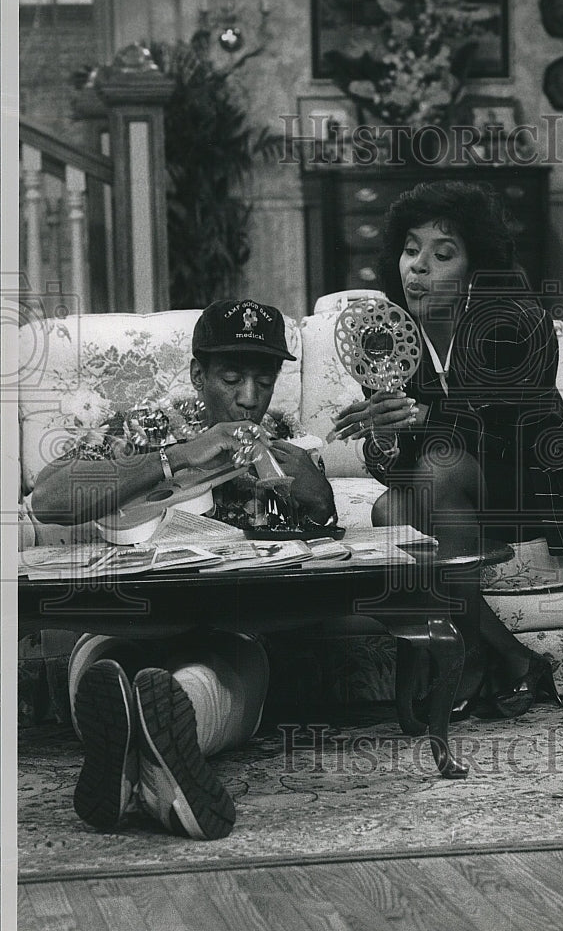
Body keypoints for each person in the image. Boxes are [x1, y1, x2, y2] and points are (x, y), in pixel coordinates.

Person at [31, 299, 337, 839]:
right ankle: (156, 757)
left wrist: (319, 495)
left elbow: (315, 550)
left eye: (263, 381)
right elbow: (50, 500)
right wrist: (179, 456)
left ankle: (141, 756)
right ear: (198, 374)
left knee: (217, 673)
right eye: (231, 377)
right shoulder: (144, 427)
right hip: (124, 623)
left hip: (225, 631)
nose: (248, 399)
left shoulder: (282, 444)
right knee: (111, 669)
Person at [332, 181, 563, 719]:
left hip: (538, 481)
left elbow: (512, 433)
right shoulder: (389, 336)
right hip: (457, 495)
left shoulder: (516, 321)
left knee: (439, 466)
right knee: (391, 510)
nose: (417, 267)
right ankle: (499, 652)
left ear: (474, 267)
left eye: (442, 254)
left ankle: (474, 660)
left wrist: (424, 417)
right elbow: (399, 471)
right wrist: (386, 441)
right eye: (410, 249)